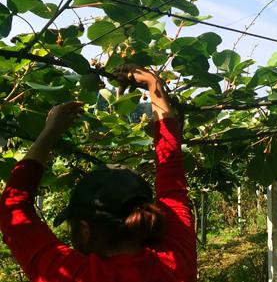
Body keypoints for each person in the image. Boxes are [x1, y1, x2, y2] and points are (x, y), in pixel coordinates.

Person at [0, 65, 197, 281]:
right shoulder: (175, 262)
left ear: (85, 231)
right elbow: (172, 176)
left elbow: (12, 206)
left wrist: (50, 131)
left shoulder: (73, 274)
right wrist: (155, 85)